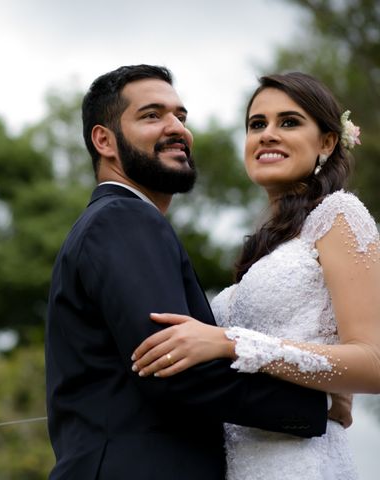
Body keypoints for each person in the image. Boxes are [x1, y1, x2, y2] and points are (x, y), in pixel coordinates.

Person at [45, 65, 333, 480]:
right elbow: (171, 367)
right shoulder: (123, 218)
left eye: (181, 116)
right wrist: (312, 403)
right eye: (151, 115)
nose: (176, 127)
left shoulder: (115, 222)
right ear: (104, 140)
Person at [131, 72, 379, 479]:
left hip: (301, 465)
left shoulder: (339, 217)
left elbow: (374, 362)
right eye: (256, 124)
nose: (267, 134)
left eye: (289, 122)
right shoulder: (265, 247)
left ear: (327, 142)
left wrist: (230, 341)